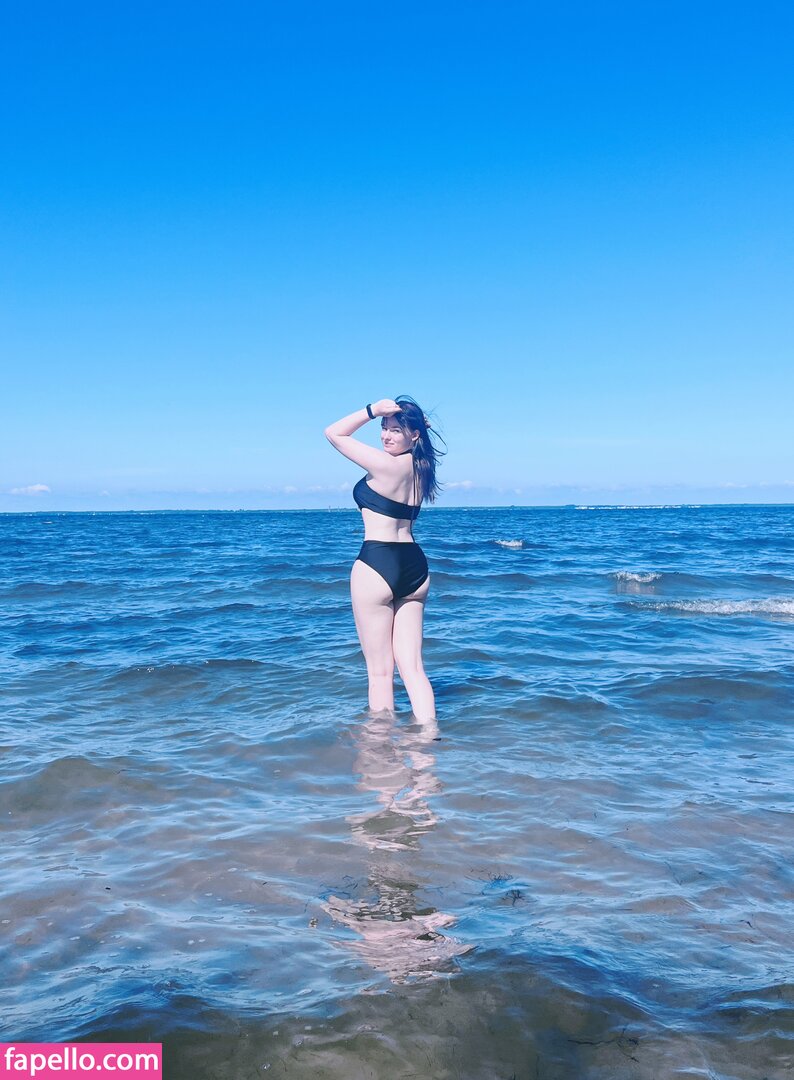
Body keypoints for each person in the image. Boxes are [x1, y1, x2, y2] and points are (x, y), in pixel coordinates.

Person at [324, 397, 443, 722]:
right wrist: (414, 427)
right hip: (415, 567)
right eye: (384, 428)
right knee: (413, 668)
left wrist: (372, 411)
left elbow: (333, 433)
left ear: (413, 434)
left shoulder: (384, 465)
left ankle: (379, 749)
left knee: (379, 673)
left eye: (395, 430)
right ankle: (429, 740)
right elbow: (418, 438)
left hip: (377, 564)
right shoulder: (422, 467)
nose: (386, 436)